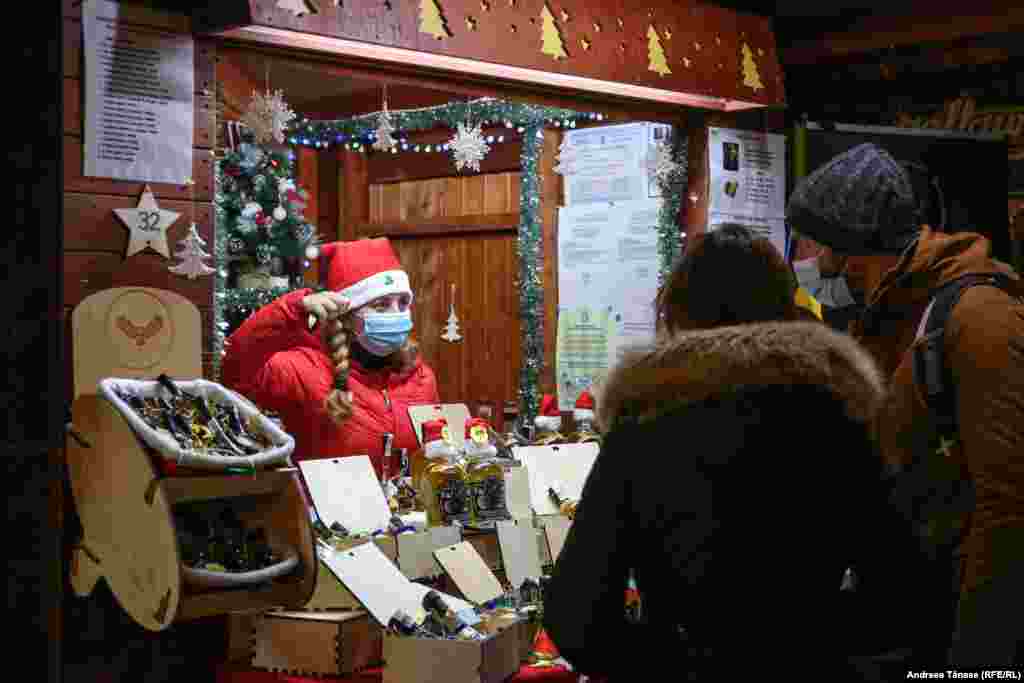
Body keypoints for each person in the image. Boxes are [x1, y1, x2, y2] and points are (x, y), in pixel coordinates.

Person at [543, 223, 932, 680]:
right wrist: (815, 646)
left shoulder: (645, 423)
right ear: (785, 307)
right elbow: (902, 594)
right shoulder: (837, 417)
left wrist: (668, 662)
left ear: (679, 309)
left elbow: (576, 615)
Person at [786, 142, 1024, 667]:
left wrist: (981, 663)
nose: (802, 260)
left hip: (963, 628)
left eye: (807, 243)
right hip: (914, 615)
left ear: (846, 244)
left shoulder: (977, 316)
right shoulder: (886, 316)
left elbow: (1008, 504)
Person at [221, 237, 439, 480]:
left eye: (403, 302)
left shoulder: (420, 377)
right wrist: (291, 310)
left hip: (409, 515)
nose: (396, 313)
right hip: (327, 516)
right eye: (381, 305)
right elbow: (234, 370)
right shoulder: (302, 369)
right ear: (346, 315)